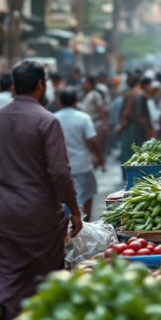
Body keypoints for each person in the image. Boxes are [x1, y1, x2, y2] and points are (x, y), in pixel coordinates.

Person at [0, 60, 82, 320]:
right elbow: (60, 173)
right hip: (39, 215)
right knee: (41, 271)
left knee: (2, 265)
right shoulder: (47, 120)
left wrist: (8, 187)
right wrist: (74, 210)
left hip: (3, 210)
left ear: (13, 86)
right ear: (40, 85)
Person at [55, 87, 104, 220]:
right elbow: (92, 141)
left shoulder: (53, 118)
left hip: (60, 166)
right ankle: (86, 223)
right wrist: (100, 159)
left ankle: (67, 227)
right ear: (76, 101)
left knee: (64, 199)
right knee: (87, 194)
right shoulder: (83, 118)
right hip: (82, 165)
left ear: (60, 102)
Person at [117, 75, 153, 163]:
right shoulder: (141, 95)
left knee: (127, 155)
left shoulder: (127, 94)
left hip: (127, 129)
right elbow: (141, 117)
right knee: (137, 156)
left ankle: (126, 175)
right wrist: (149, 132)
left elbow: (121, 113)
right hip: (137, 131)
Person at [81, 76, 108, 148]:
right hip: (88, 124)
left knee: (97, 146)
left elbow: (101, 110)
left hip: (96, 124)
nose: (84, 85)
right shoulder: (84, 94)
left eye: (86, 83)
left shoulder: (96, 95)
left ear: (90, 84)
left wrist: (104, 125)